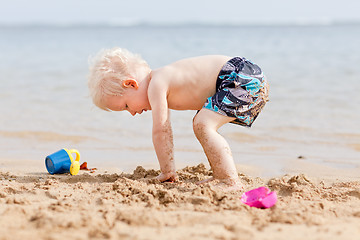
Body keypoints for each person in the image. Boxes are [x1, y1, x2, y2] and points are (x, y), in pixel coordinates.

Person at [88, 48, 269, 191]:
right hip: (247, 74)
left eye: (126, 106)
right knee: (201, 122)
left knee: (202, 124)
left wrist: (167, 171)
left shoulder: (157, 83)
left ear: (131, 83)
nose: (132, 113)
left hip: (239, 77)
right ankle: (221, 174)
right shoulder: (162, 78)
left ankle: (229, 179)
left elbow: (161, 129)